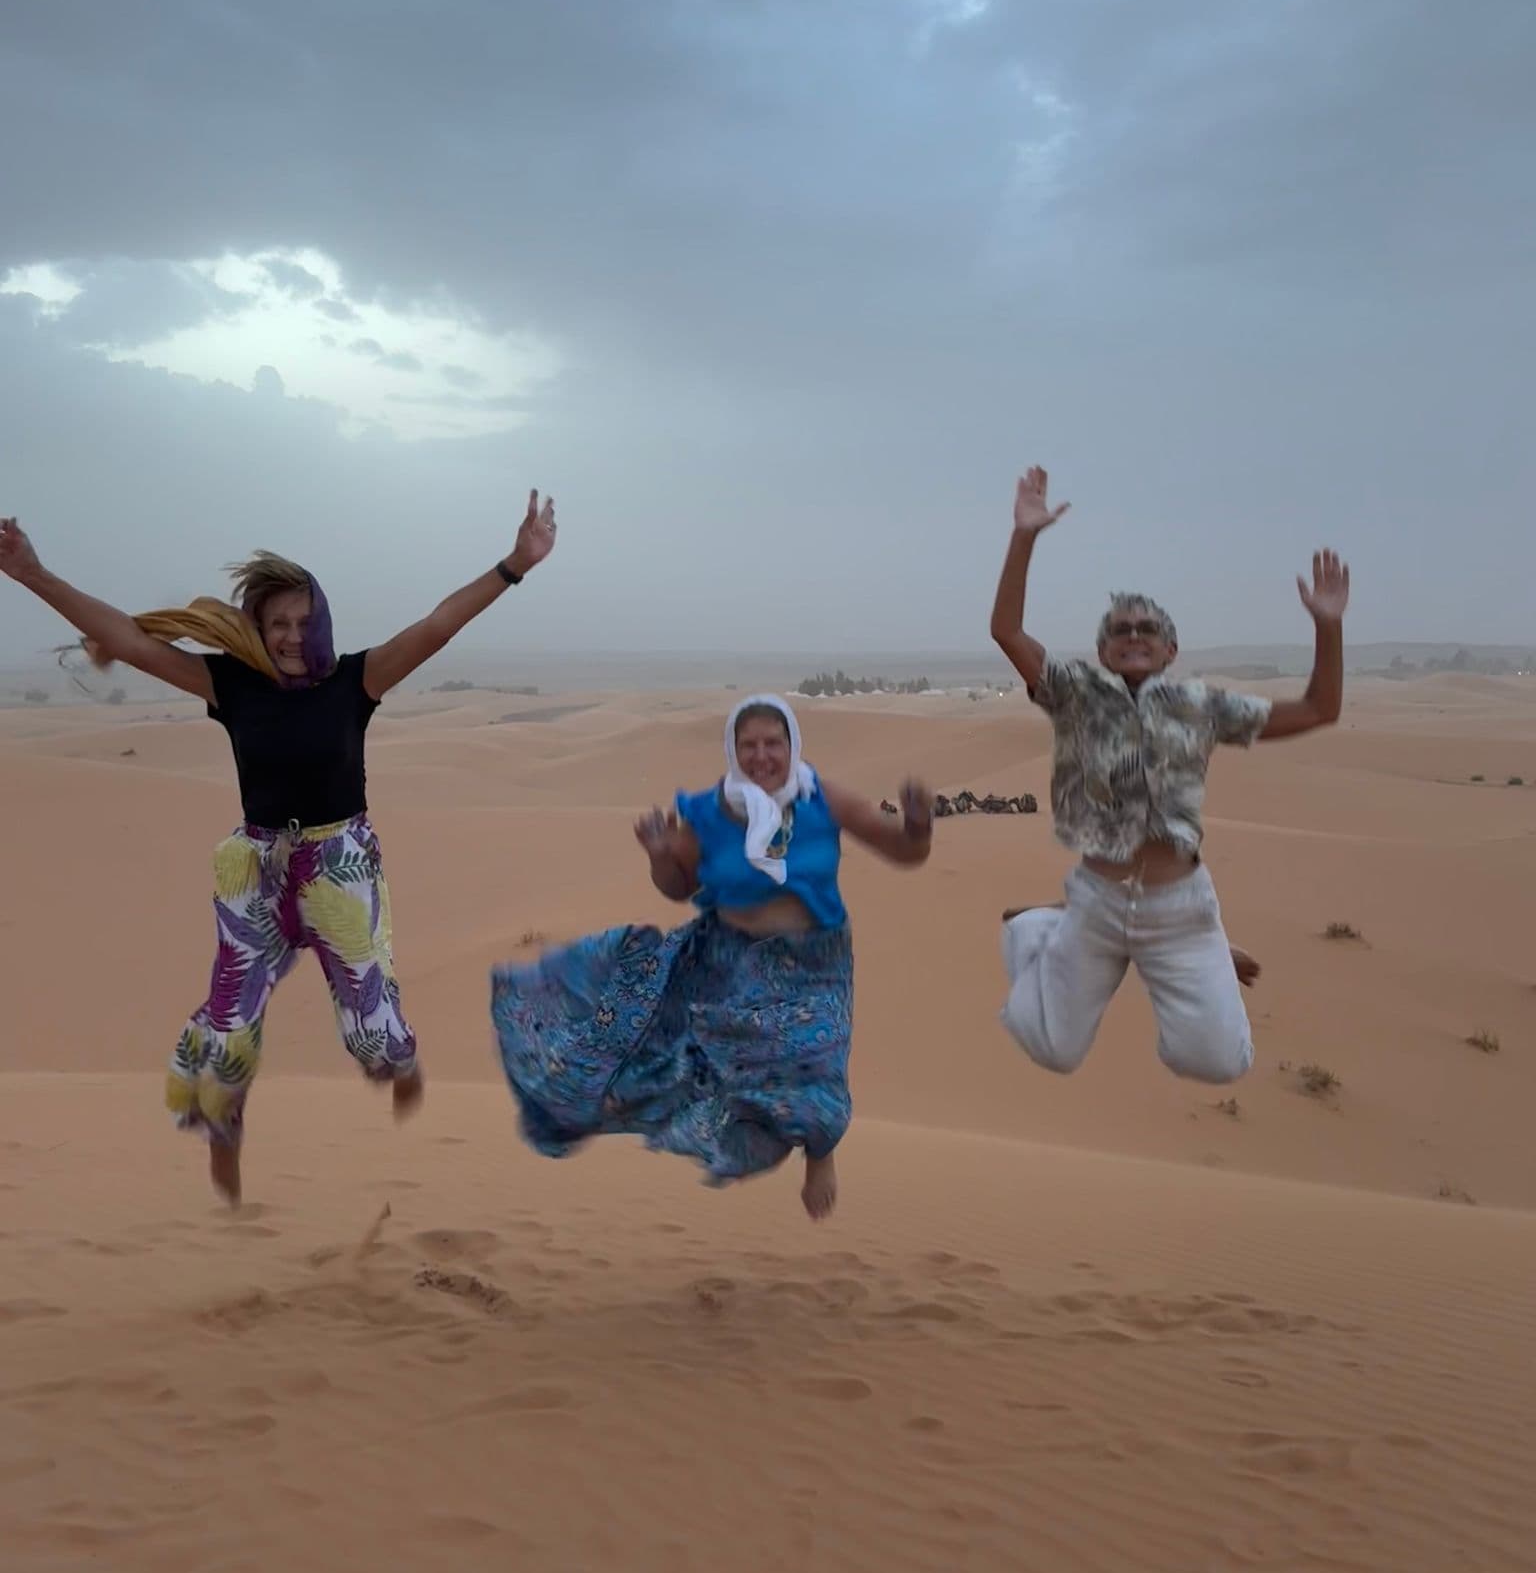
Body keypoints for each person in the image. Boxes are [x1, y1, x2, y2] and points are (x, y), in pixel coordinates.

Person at [0, 494, 557, 1204]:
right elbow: (132, 642)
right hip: (257, 867)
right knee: (228, 1024)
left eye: (303, 621)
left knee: (372, 1036)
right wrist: (33, 573)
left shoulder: (359, 679)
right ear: (258, 630)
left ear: (321, 620)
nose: (293, 636)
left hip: (342, 866)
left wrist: (515, 565)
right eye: (278, 624)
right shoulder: (229, 684)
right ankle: (223, 1131)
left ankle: (400, 1062)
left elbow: (439, 625)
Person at [490, 695, 933, 1221]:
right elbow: (679, 888)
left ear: (792, 746)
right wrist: (660, 855)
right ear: (733, 749)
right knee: (664, 1047)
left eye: (773, 743)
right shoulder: (707, 811)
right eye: (749, 745)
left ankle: (821, 1155)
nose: (762, 756)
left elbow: (905, 852)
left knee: (815, 1064)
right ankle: (597, 1104)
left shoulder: (823, 799)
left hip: (814, 963)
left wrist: (919, 827)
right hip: (727, 956)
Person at [988, 467, 1349, 1084]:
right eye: (1120, 630)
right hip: (1097, 900)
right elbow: (1007, 631)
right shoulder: (1073, 691)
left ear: (1170, 650)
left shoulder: (1203, 706)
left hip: (1178, 907)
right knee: (1051, 1048)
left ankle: (1204, 953)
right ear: (1102, 651)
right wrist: (1025, 536)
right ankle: (1040, 927)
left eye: (1147, 629)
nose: (1133, 635)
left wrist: (1327, 624)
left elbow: (1320, 709)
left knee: (1216, 1062)